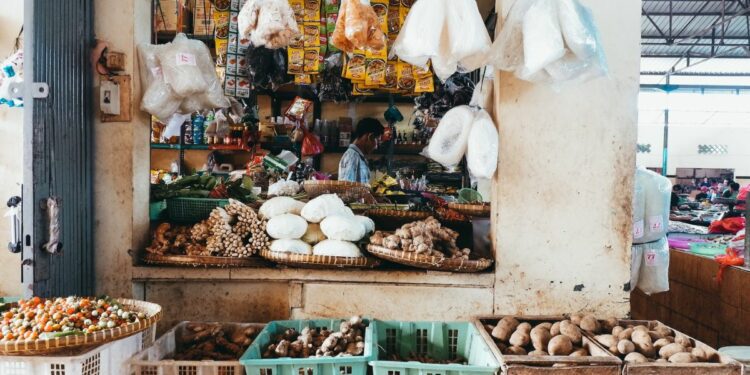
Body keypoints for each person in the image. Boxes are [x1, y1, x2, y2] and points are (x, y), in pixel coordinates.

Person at [338, 118, 385, 184]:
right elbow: (347, 190)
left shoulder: (357, 156)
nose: (376, 146)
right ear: (370, 137)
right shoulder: (352, 157)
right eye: (377, 141)